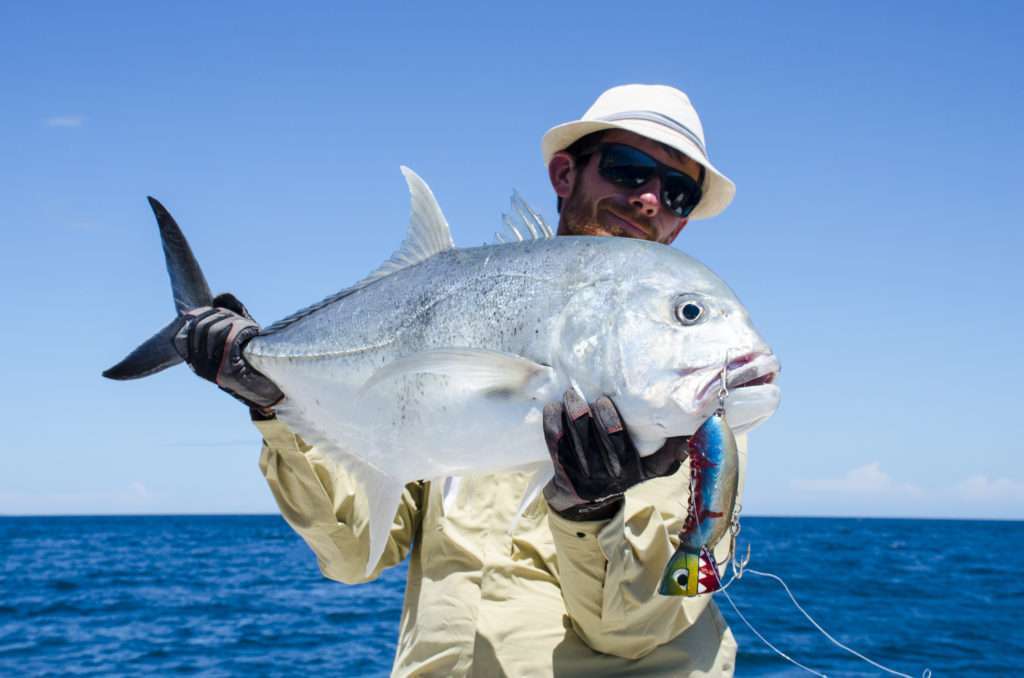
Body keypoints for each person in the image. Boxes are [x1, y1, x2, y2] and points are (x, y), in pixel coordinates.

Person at [177, 84, 746, 676]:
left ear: (681, 225)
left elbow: (634, 632)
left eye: (679, 192)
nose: (651, 199)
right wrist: (273, 402)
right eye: (628, 170)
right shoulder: (462, 315)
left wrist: (588, 515)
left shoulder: (687, 415)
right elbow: (352, 555)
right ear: (563, 174)